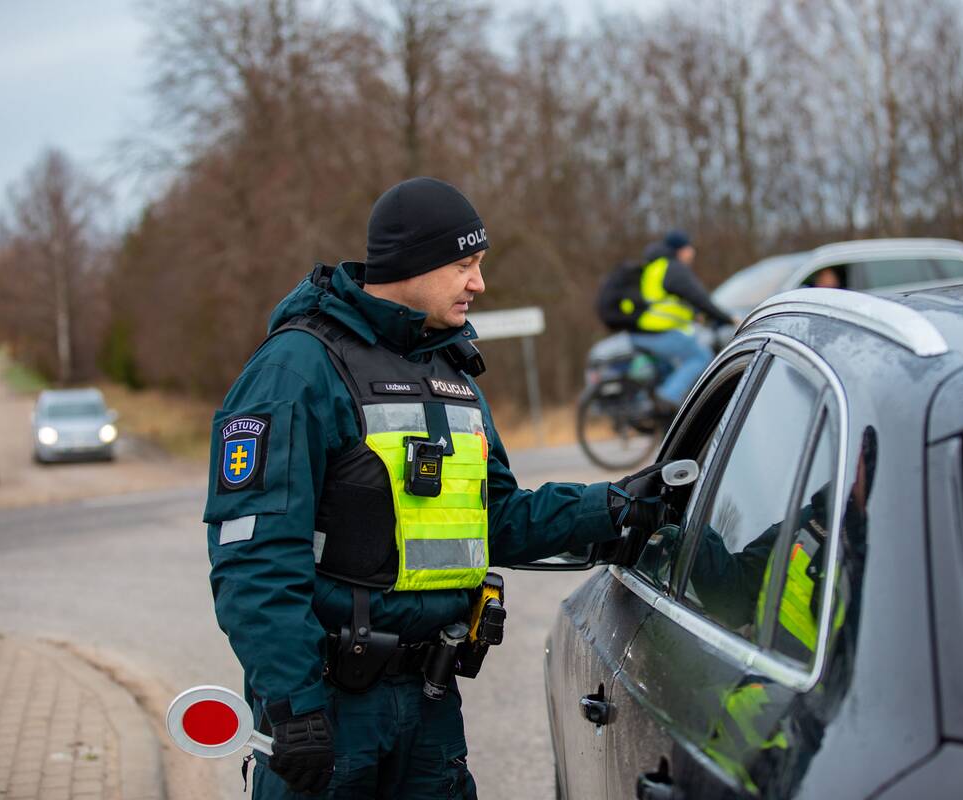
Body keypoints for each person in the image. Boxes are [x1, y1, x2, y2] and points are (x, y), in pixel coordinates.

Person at [202, 176, 667, 799]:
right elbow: (254, 556)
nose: (479, 283)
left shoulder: (449, 373)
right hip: (330, 711)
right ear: (412, 265)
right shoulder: (297, 369)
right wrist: (293, 706)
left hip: (430, 705)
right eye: (464, 266)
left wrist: (611, 508)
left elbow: (494, 518)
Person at [627, 230, 734, 410]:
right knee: (701, 356)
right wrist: (726, 318)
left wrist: (694, 315)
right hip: (657, 332)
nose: (692, 252)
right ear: (681, 249)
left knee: (672, 368)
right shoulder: (674, 268)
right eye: (689, 247)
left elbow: (670, 300)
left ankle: (653, 409)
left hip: (642, 331)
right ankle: (668, 398)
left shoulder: (656, 266)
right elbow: (699, 298)